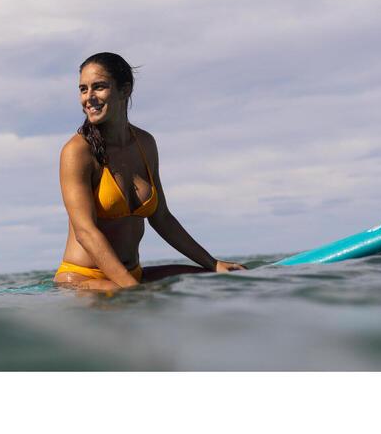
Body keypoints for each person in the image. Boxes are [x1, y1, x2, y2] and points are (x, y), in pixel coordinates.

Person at [54, 52, 246, 291]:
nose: (88, 98)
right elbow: (85, 232)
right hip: (83, 279)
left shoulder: (145, 143)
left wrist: (213, 263)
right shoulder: (77, 152)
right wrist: (132, 289)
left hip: (131, 275)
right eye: (83, 89)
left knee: (215, 278)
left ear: (125, 90)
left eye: (99, 87)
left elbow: (161, 217)